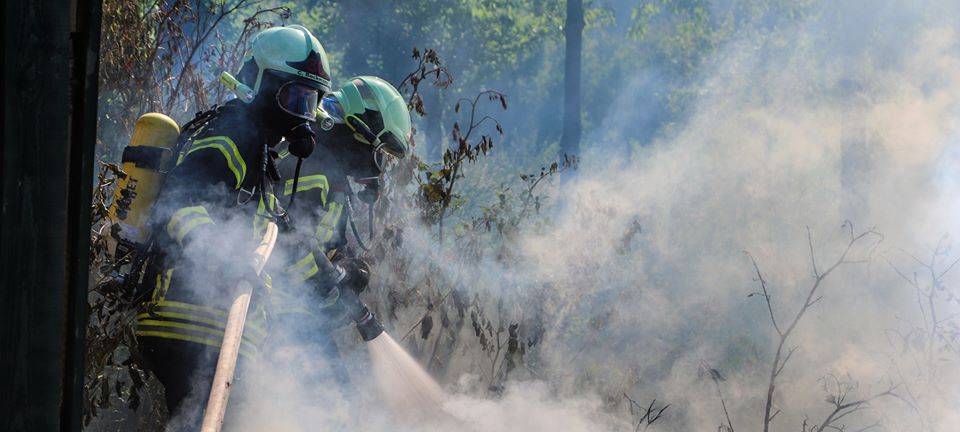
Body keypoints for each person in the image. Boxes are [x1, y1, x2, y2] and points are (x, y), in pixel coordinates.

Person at [134, 24, 331, 428]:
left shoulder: (259, 152)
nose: (301, 116)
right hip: (191, 323)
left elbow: (268, 238)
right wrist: (226, 261)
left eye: (309, 103)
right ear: (258, 85)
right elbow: (182, 202)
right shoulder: (233, 132)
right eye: (293, 98)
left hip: (213, 329)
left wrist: (326, 280)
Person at [265, 76, 413, 383]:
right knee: (334, 407)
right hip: (275, 317)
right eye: (380, 151)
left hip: (295, 320)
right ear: (359, 130)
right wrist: (333, 283)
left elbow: (321, 245)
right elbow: (286, 241)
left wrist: (347, 267)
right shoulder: (312, 163)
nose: (377, 164)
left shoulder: (328, 171)